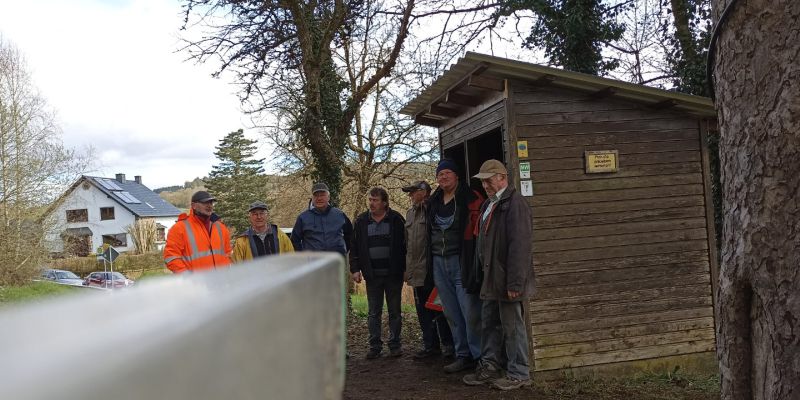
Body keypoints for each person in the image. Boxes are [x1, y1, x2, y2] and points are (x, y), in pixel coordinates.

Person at [462, 159, 534, 391]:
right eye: (483, 181)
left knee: (513, 327)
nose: (485, 185)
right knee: (490, 324)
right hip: (490, 279)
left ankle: (519, 373)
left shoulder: (515, 204)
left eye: (489, 180)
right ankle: (491, 367)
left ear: (502, 178)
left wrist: (515, 283)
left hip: (506, 280)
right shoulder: (489, 204)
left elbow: (520, 247)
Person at [427, 159, 485, 373]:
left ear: (457, 175)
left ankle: (480, 357)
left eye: (447, 173)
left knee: (470, 310)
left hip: (462, 261)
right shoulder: (433, 202)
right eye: (439, 174)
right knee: (451, 312)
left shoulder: (471, 198)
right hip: (438, 262)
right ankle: (463, 355)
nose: (443, 177)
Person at [350, 187, 407, 359]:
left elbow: (406, 246)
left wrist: (406, 268)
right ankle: (375, 346)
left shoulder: (396, 219)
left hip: (393, 274)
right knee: (374, 312)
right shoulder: (361, 221)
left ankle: (395, 345)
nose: (371, 203)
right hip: (372, 275)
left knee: (394, 311)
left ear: (384, 202)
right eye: (370, 200)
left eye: (375, 200)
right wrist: (355, 269)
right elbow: (354, 247)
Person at [402, 180, 454, 359]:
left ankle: (449, 346)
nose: (410, 195)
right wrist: (407, 269)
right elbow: (407, 244)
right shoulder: (410, 214)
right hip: (416, 272)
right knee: (423, 311)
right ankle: (430, 346)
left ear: (424, 192)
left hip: (432, 270)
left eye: (413, 192)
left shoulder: (433, 209)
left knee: (439, 309)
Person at [163, 190, 232, 273]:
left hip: (220, 279)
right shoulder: (179, 228)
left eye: (211, 203)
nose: (209, 205)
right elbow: (171, 257)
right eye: (205, 203)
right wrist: (187, 276)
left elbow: (228, 253)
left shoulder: (221, 227)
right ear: (193, 205)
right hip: (195, 281)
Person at [290, 182, 353, 256]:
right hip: (312, 262)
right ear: (312, 198)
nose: (319, 198)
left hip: (336, 260)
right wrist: (303, 256)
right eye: (316, 195)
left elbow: (350, 235)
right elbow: (294, 240)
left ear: (328, 197)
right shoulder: (303, 218)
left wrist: (342, 251)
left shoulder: (339, 215)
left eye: (322, 195)